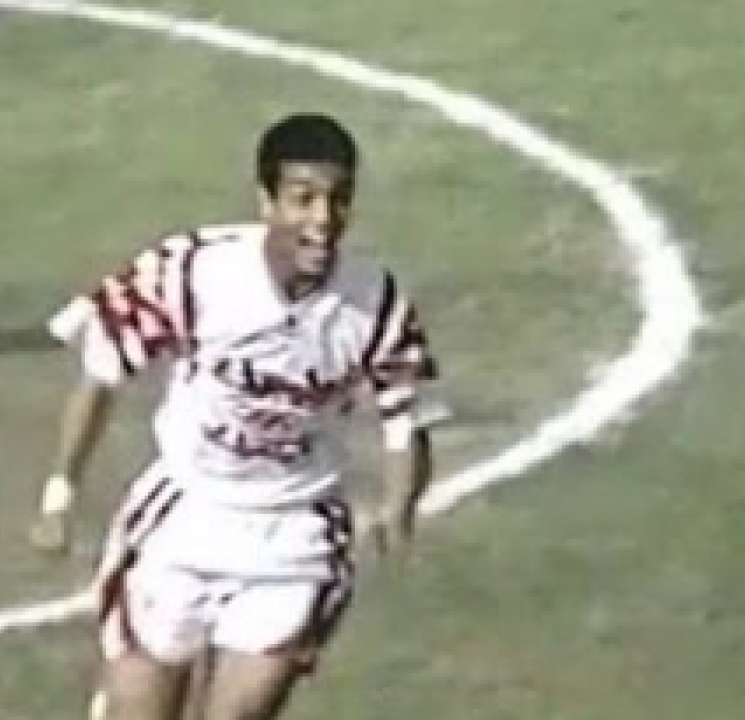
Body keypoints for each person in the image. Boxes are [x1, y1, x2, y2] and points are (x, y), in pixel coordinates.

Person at [32, 112, 449, 720]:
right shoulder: (193, 272)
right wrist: (59, 493)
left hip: (295, 538)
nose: (323, 220)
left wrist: (399, 508)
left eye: (338, 200)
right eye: (303, 199)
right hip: (183, 519)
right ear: (266, 201)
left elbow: (405, 420)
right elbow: (103, 372)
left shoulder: (374, 304)